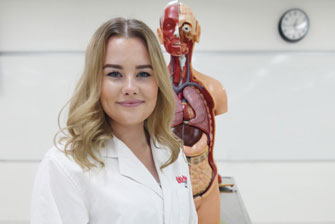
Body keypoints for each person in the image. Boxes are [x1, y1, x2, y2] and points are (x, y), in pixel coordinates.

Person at [31, 17, 198, 224]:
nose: (130, 87)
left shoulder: (171, 153)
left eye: (143, 73)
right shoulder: (65, 165)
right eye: (115, 74)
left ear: (158, 82)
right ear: (95, 82)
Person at [157, 2, 228, 224]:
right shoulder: (151, 91)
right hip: (164, 192)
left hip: (205, 188)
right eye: (170, 26)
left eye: (185, 26)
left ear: (197, 31)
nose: (178, 33)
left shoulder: (214, 89)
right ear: (160, 34)